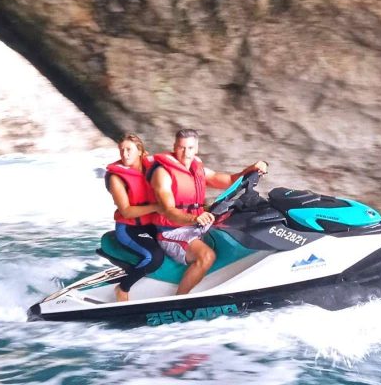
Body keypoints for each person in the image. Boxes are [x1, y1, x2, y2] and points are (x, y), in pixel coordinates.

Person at [149, 128, 268, 295]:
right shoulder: (163, 174)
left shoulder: (197, 168)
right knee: (207, 256)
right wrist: (194, 219)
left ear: (196, 148)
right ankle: (180, 300)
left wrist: (251, 169)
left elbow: (227, 180)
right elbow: (168, 211)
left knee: (240, 227)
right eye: (181, 148)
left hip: (197, 224)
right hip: (173, 232)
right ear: (174, 147)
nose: (186, 153)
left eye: (190, 148)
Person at [105, 132, 165, 302]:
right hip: (129, 228)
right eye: (121, 150)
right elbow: (126, 211)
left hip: (151, 223)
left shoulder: (152, 168)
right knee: (154, 258)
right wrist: (156, 207)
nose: (125, 154)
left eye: (129, 149)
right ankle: (123, 288)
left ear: (140, 151)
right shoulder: (116, 178)